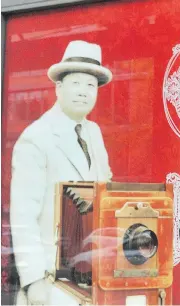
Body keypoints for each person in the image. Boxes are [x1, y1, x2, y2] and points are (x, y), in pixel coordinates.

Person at [9, 40, 113, 305]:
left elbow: (106, 197)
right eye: (76, 83)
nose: (83, 92)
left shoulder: (94, 133)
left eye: (90, 85)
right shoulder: (36, 137)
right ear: (59, 88)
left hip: (94, 277)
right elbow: (23, 217)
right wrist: (34, 281)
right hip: (51, 283)